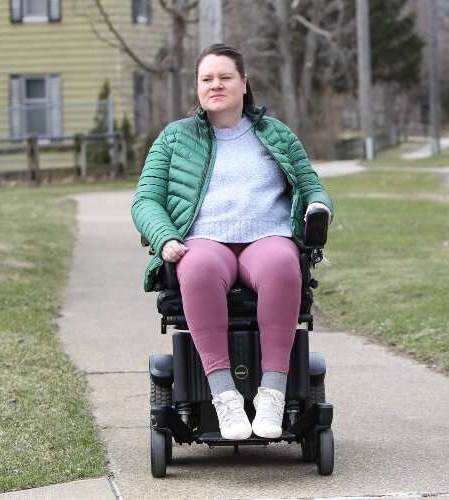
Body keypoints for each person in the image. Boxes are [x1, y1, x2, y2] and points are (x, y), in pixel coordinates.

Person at [131, 43, 333, 440]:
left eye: (225, 77)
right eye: (207, 79)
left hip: (267, 237)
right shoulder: (174, 138)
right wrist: (165, 237)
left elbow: (313, 187)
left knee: (281, 263)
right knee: (199, 266)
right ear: (197, 88)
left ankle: (273, 393)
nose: (215, 85)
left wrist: (318, 209)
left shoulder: (276, 134)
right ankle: (225, 398)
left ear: (244, 84)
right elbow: (145, 200)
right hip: (206, 240)